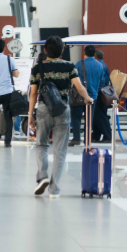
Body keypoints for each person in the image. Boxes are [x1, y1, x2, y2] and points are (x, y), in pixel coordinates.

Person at [28, 36, 92, 197]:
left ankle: (42, 176)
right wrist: (88, 98)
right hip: (63, 109)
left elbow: (33, 93)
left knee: (41, 145)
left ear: (45, 50)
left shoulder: (38, 68)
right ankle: (54, 190)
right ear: (62, 51)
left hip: (43, 109)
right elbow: (79, 87)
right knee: (60, 150)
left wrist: (30, 114)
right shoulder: (69, 66)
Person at [71, 45, 112, 146]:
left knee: (76, 117)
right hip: (93, 95)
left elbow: (74, 78)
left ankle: (76, 138)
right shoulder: (100, 65)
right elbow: (102, 81)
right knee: (90, 118)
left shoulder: (79, 64)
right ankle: (87, 139)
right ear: (94, 54)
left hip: (78, 95)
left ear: (84, 53)